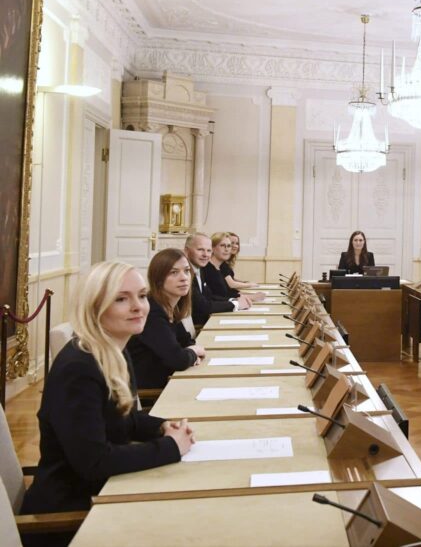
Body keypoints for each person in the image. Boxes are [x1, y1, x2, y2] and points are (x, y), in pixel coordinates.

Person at [20, 262, 194, 542]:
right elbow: (94, 462)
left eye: (142, 295)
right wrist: (171, 447)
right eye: (121, 299)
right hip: (72, 517)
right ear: (94, 307)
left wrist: (162, 427)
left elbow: (125, 418)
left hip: (107, 492)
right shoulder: (79, 368)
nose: (138, 307)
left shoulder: (113, 349)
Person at [128, 249, 206, 390]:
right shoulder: (152, 311)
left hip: (170, 380)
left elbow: (187, 341)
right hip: (151, 390)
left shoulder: (171, 306)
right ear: (158, 279)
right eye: (174, 272)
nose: (184, 278)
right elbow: (178, 360)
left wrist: (189, 353)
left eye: (187, 271)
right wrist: (192, 354)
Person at [185, 232, 250, 328]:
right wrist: (236, 304)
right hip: (198, 326)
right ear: (186, 251)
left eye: (208, 250)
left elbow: (209, 296)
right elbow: (203, 306)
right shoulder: (185, 273)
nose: (205, 255)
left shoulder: (199, 269)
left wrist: (234, 300)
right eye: (200, 250)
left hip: (206, 323)